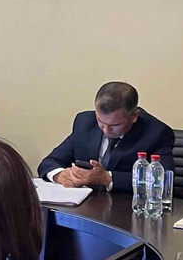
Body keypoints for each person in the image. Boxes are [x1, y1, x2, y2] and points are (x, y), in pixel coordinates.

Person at [36, 81, 174, 193]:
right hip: (85, 205)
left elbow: (162, 180)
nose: (106, 130)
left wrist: (107, 178)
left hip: (125, 209)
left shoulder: (157, 133)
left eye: (115, 125)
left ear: (134, 116)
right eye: (100, 121)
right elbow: (50, 162)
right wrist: (60, 175)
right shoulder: (85, 123)